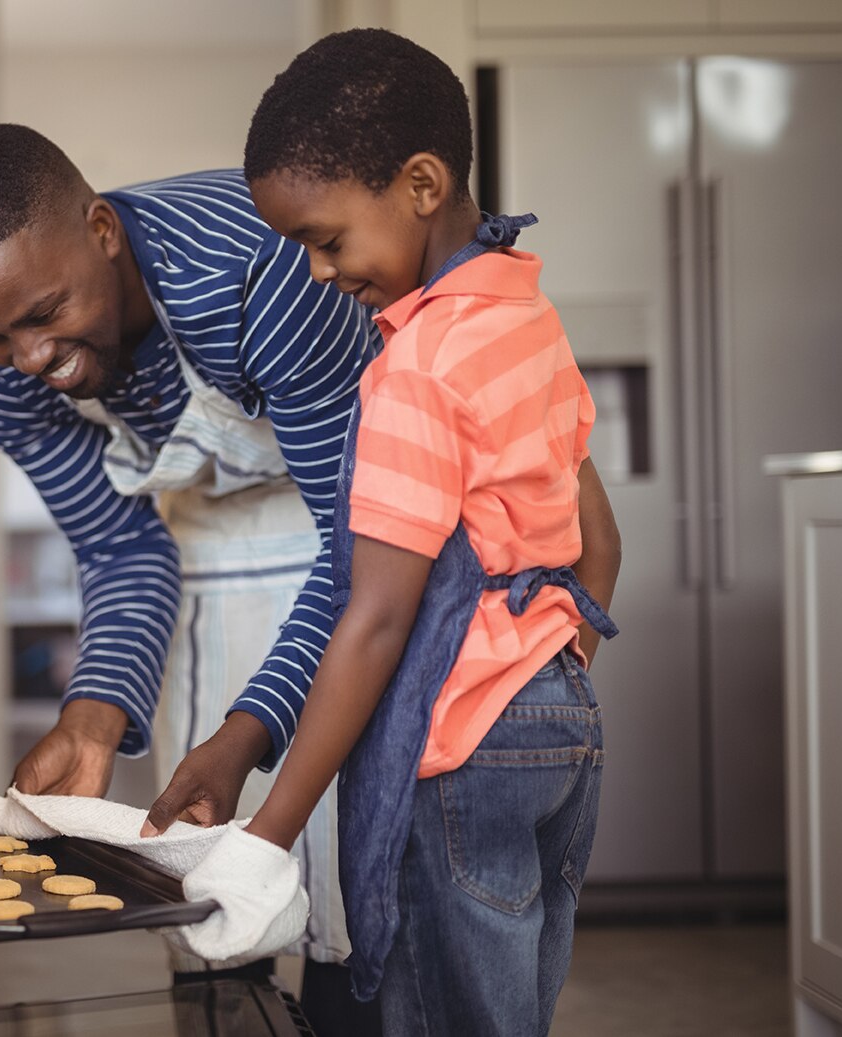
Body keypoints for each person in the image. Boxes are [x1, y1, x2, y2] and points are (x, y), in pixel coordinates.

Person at [146, 29, 623, 1037]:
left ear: (419, 183)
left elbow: (376, 617)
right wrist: (547, 666)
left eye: (326, 240)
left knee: (440, 1007)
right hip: (562, 728)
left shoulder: (414, 367)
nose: (319, 274)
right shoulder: (527, 314)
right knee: (512, 1001)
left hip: (462, 744)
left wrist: (267, 833)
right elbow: (599, 538)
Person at [0, 123, 383, 1032]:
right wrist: (91, 717)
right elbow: (125, 550)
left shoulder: (259, 266)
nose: (30, 361)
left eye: (46, 314)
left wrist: (250, 733)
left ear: (101, 230)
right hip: (211, 566)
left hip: (364, 557)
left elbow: (358, 545)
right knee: (216, 928)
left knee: (355, 912)